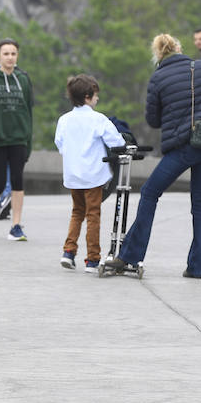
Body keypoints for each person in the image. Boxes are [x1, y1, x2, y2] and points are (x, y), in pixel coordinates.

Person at [103, 33, 201, 279]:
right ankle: (196, 267)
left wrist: (174, 113)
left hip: (183, 146)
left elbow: (152, 120)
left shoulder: (158, 77)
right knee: (200, 204)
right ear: (178, 48)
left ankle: (130, 254)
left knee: (150, 192)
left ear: (158, 54)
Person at [54, 74, 125, 272]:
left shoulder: (64, 120)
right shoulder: (98, 119)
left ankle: (69, 252)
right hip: (93, 175)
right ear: (87, 96)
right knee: (93, 214)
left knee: (77, 212)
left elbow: (60, 143)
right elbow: (116, 141)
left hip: (73, 175)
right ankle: (92, 259)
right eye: (95, 95)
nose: (97, 99)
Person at [0, 38, 35, 241]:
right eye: (6, 54)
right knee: (0, 183)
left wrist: (29, 139)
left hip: (19, 139)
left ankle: (16, 225)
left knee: (18, 181)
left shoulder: (24, 79)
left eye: (13, 53)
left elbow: (29, 110)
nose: (10, 57)